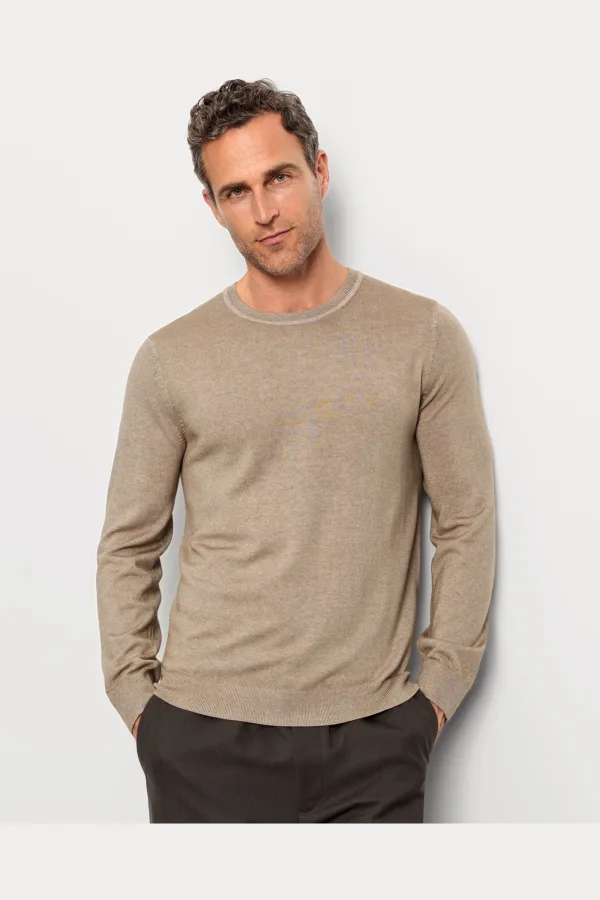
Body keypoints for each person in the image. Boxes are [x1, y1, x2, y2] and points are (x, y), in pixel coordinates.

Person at [96, 77, 496, 823]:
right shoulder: (171, 358)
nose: (264, 210)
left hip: (375, 732)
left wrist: (438, 694)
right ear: (213, 206)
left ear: (319, 169)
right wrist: (139, 705)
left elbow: (466, 519)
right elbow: (128, 543)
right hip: (202, 732)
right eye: (237, 191)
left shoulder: (422, 336)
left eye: (278, 177)